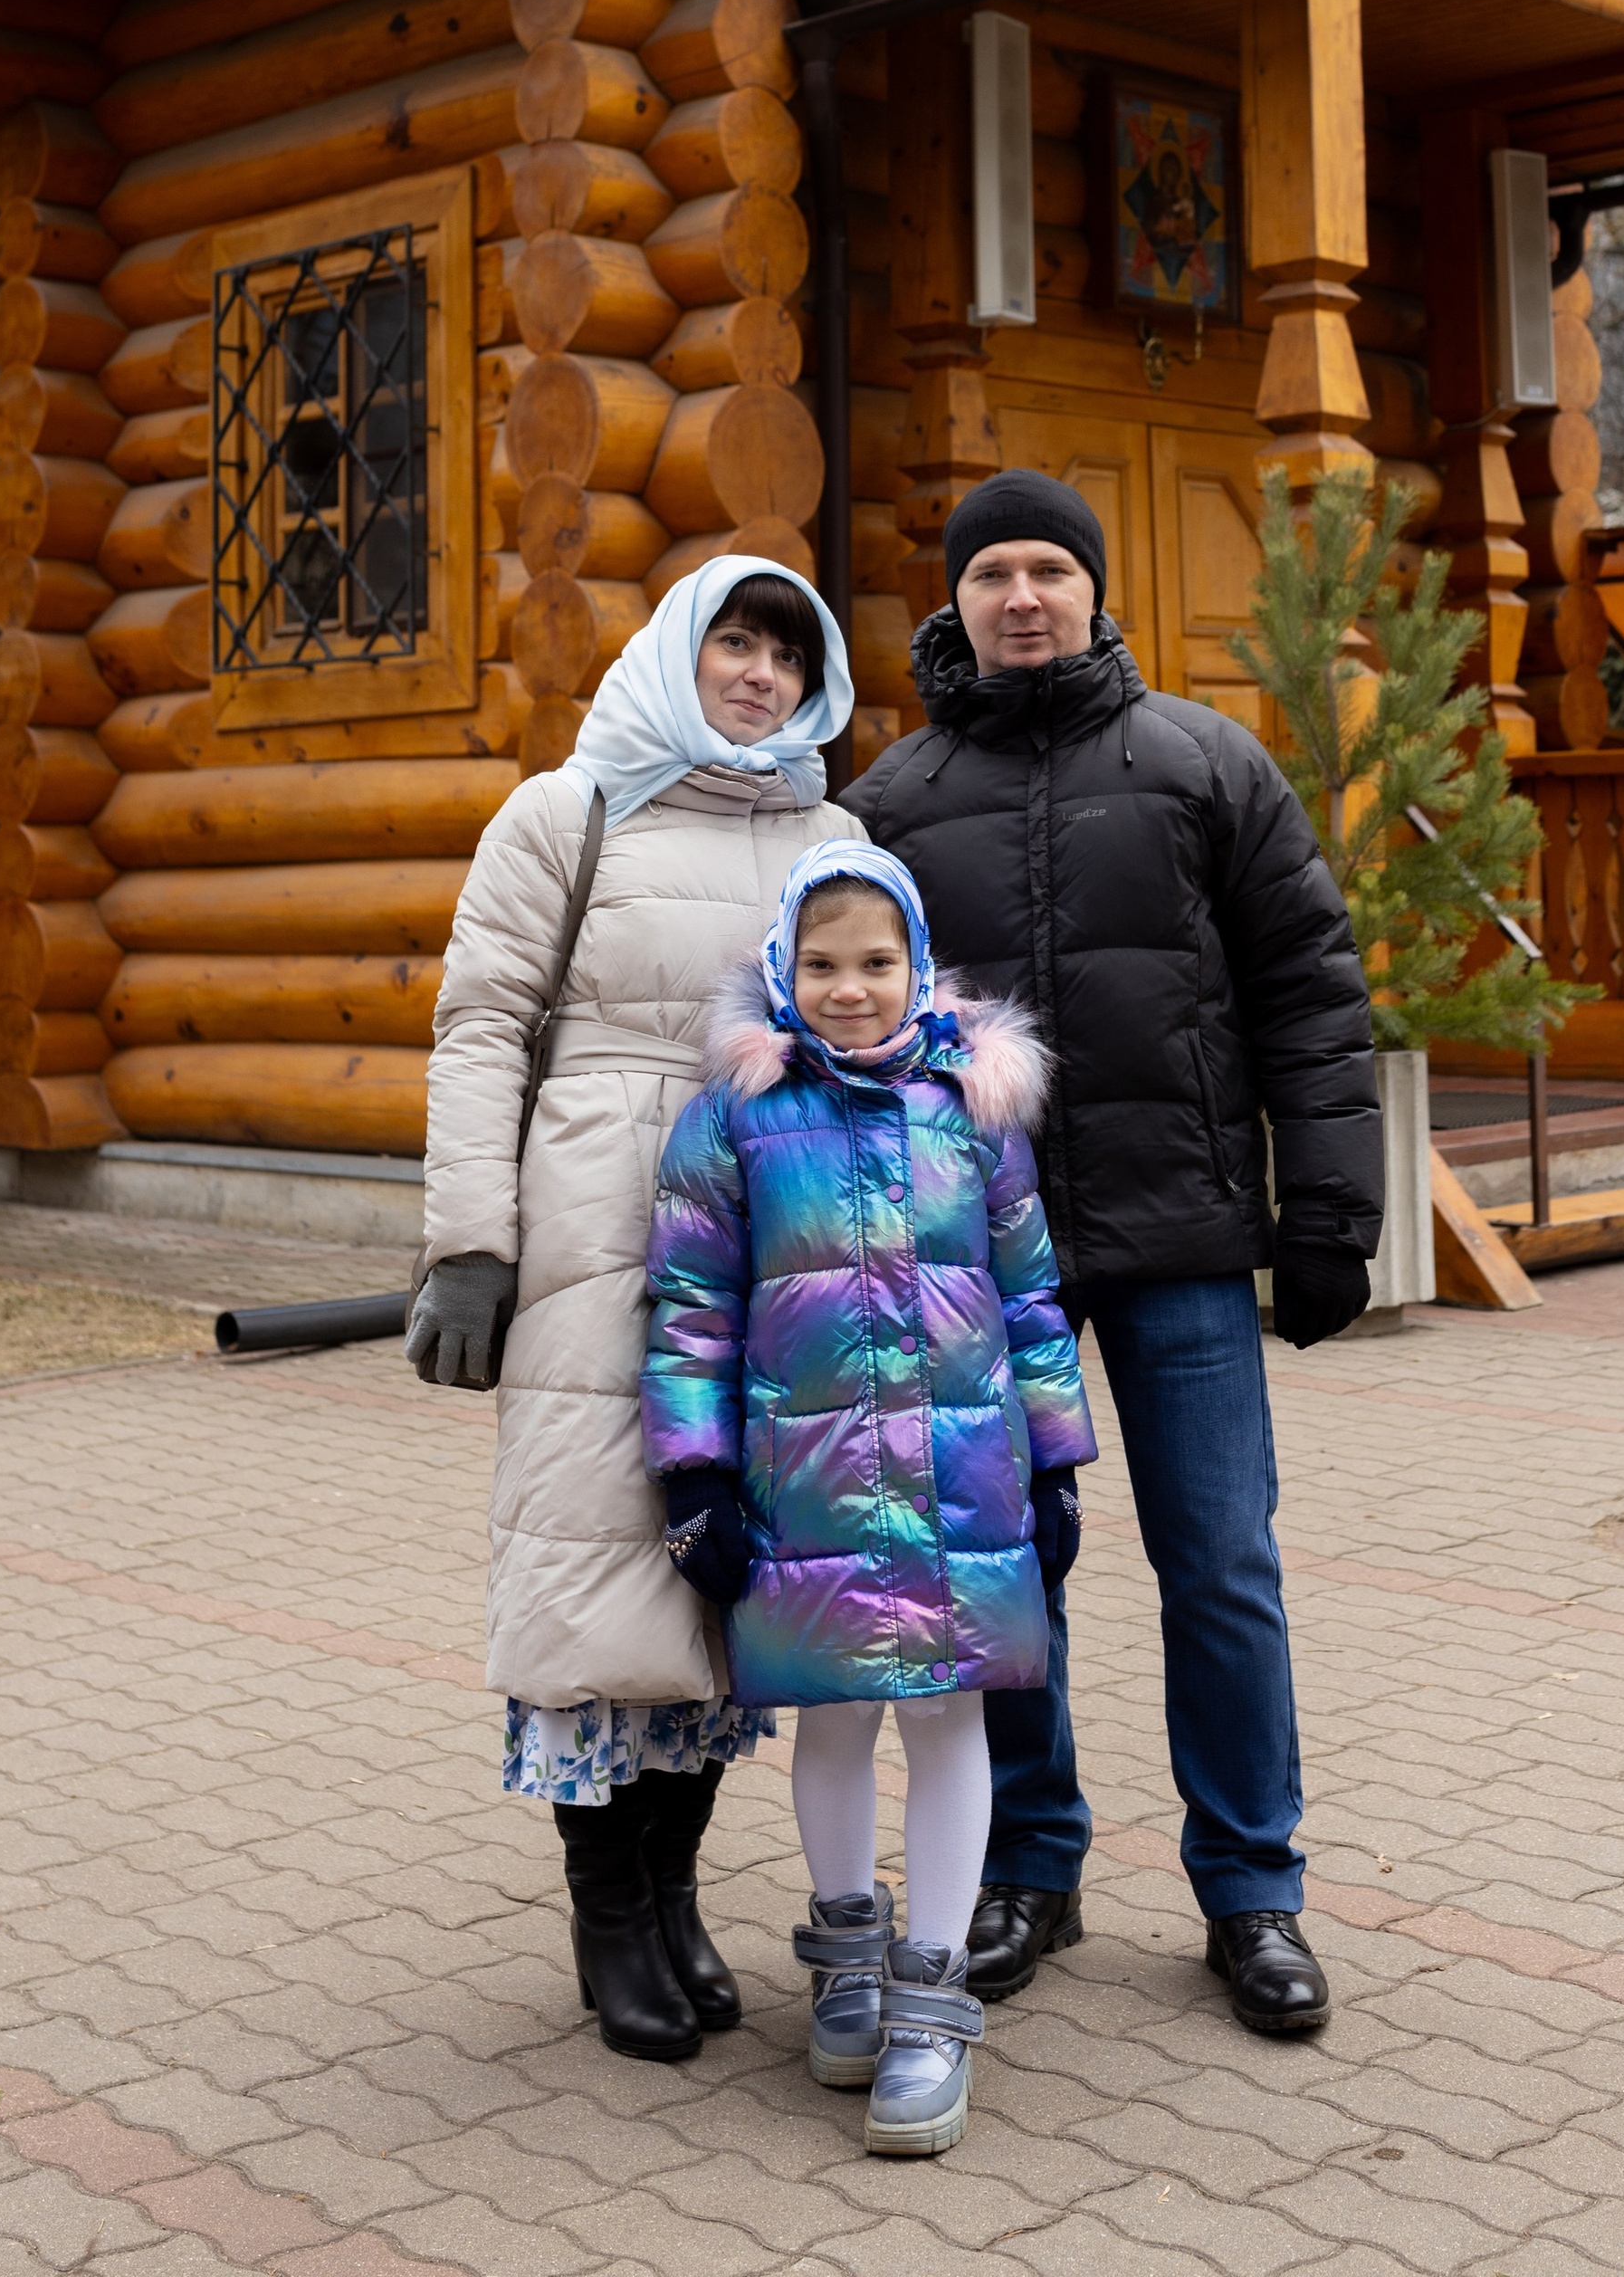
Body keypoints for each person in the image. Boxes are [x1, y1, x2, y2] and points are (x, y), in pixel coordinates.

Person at [843, 469, 1382, 2036]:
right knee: (1013, 1572)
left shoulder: (1204, 763)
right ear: (956, 602)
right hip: (978, 1262)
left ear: (1096, 590)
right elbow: (839, 1021)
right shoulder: (890, 803)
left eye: (1049, 570)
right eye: (993, 573)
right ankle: (1031, 1862)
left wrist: (1331, 1213)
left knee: (1222, 1564)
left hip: (1188, 1238)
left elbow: (1309, 989)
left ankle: (1253, 1891)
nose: (1023, 597)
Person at [409, 554, 862, 2063]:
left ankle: (675, 1895)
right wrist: (470, 1244)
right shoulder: (567, 813)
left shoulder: (834, 833)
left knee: (725, 1578)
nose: (758, 675)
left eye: (786, 657)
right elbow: (479, 1027)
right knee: (599, 1564)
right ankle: (612, 1911)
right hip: (598, 1230)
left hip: (770, 1242)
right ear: (680, 652)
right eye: (733, 642)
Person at [640, 842, 1096, 2156]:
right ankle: (847, 1951)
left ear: (918, 970)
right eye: (824, 964)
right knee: (833, 1719)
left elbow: (1028, 1297)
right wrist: (696, 1475)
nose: (851, 989)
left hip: (964, 1481)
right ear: (784, 970)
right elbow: (687, 1311)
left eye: (876, 963)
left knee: (952, 1720)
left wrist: (1057, 1458)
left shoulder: (971, 1108)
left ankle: (935, 1991)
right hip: (807, 1485)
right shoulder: (733, 1116)